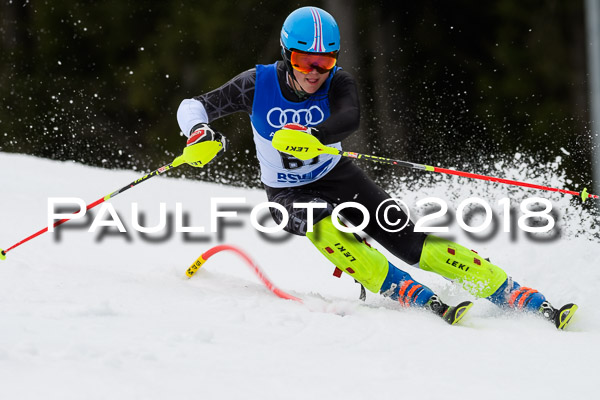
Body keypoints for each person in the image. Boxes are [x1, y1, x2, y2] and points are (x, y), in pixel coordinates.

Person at [176, 6, 576, 328]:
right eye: (304, 61)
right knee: (325, 225)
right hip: (286, 192)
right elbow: (195, 106)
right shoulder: (256, 83)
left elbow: (350, 117)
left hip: (336, 174)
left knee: (406, 238)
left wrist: (315, 133)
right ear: (286, 54)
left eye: (325, 61)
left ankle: (509, 291)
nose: (315, 72)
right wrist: (198, 133)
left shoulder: (339, 82)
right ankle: (410, 292)